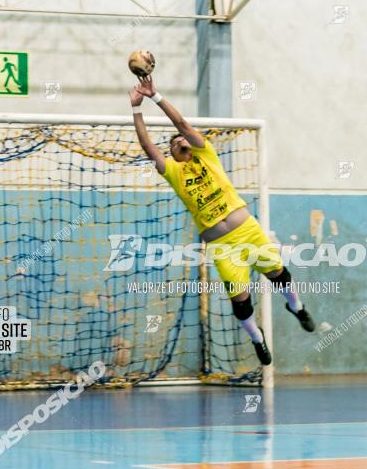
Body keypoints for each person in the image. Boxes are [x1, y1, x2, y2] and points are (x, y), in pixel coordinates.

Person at [129, 75, 315, 365]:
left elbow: (182, 125)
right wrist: (137, 109)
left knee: (278, 274)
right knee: (240, 302)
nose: (182, 141)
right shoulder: (174, 174)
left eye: (184, 140)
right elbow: (147, 146)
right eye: (177, 143)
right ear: (173, 154)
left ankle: (298, 307)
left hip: (247, 231)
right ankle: (257, 338)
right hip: (222, 245)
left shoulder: (207, 155)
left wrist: (155, 96)